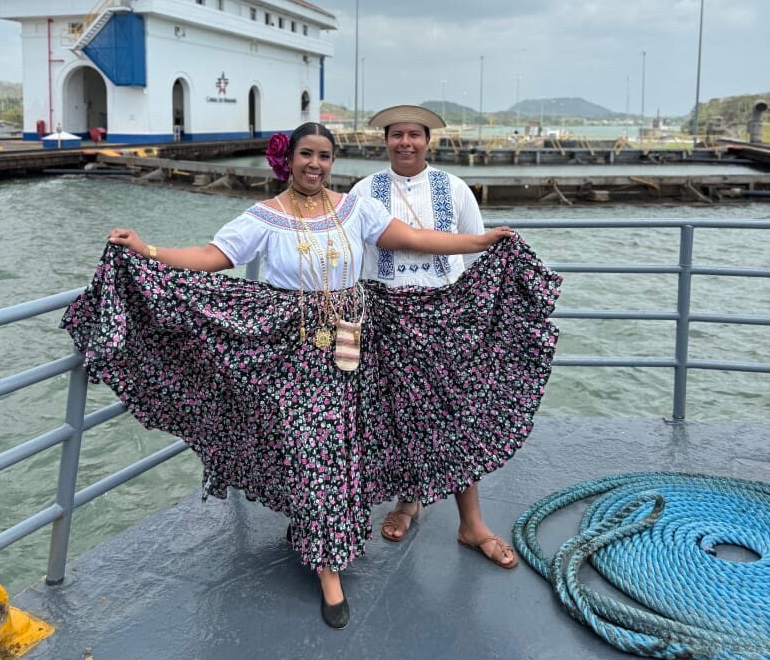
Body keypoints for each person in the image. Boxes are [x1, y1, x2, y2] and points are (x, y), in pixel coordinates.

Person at [61, 122, 516, 631]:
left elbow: (410, 237)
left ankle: (322, 529)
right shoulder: (265, 217)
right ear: (289, 159)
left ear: (332, 161)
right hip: (291, 352)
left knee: (341, 449)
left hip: (352, 346)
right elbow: (213, 257)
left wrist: (479, 241)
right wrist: (147, 251)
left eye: (323, 156)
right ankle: (330, 574)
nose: (314, 165)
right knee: (313, 450)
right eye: (306, 155)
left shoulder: (354, 208)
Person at [352, 104, 554, 569]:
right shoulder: (363, 192)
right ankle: (408, 501)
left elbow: (476, 249)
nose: (405, 142)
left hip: (446, 315)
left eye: (414, 135)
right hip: (384, 314)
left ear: (428, 141)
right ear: (384, 141)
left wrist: (474, 313)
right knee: (394, 414)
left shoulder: (454, 188)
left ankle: (471, 523)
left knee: (454, 415)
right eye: (396, 135)